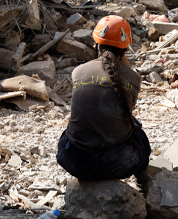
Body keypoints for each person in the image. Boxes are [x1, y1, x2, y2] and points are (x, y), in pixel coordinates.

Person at [56, 15, 151, 188]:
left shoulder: (78, 72)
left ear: (95, 45)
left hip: (75, 162)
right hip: (117, 165)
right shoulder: (133, 78)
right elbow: (126, 112)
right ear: (125, 50)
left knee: (71, 129)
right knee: (137, 130)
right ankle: (143, 183)